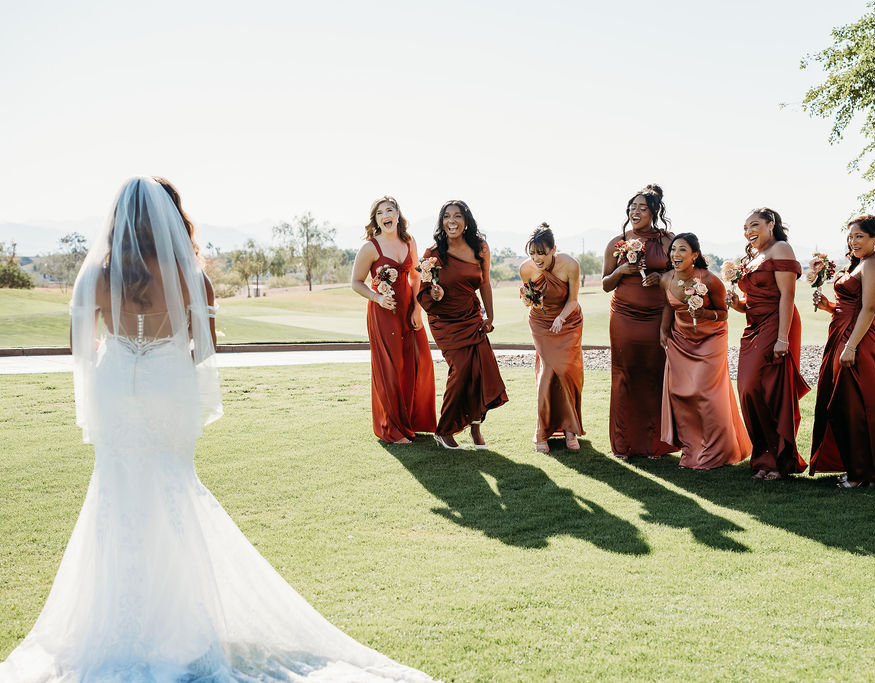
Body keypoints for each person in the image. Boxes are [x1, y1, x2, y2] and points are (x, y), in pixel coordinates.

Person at [0, 178, 434, 682]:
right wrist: (168, 353)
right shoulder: (191, 276)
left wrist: (121, 356)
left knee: (116, 492)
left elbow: (80, 347)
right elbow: (203, 352)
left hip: (116, 388)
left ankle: (118, 623)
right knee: (172, 489)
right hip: (169, 386)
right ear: (170, 218)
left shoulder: (95, 274)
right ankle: (180, 628)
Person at [809, 215, 875, 487]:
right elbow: (851, 304)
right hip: (843, 333)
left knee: (856, 405)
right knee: (843, 403)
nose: (853, 241)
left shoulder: (874, 265)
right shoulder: (861, 262)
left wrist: (851, 346)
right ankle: (857, 467)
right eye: (850, 236)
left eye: (859, 236)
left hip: (858, 339)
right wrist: (829, 307)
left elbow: (868, 309)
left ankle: (862, 474)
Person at [417, 200, 507, 449]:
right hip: (444, 320)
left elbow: (485, 283)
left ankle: (475, 427)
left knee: (478, 371)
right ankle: (444, 429)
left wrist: (490, 316)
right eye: (447, 216)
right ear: (441, 221)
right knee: (461, 368)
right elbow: (424, 290)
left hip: (471, 316)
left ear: (466, 220)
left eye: (457, 216)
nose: (452, 221)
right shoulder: (432, 253)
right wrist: (434, 294)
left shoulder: (480, 247)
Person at [729, 207, 810, 480]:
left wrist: (783, 338)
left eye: (754, 225)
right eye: (745, 228)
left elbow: (787, 295)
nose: (748, 231)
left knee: (772, 391)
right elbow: (752, 301)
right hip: (753, 328)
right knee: (748, 390)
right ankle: (763, 457)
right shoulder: (753, 256)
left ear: (770, 224)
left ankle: (778, 461)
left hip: (778, 324)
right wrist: (737, 304)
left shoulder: (781, 249)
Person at [659, 233, 752, 468]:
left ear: (695, 255)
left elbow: (723, 313)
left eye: (682, 250)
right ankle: (691, 451)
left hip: (711, 339)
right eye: (673, 250)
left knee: (705, 394)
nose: (675, 255)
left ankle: (716, 452)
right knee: (681, 394)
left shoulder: (710, 281)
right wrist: (663, 330)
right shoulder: (666, 278)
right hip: (680, 339)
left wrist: (704, 314)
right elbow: (668, 306)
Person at [351, 196, 436, 443]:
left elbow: (415, 278)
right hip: (384, 312)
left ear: (398, 214)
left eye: (390, 210)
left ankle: (413, 421)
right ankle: (392, 428)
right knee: (390, 366)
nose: (385, 215)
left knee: (418, 362)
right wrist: (377, 298)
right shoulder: (370, 248)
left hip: (409, 308)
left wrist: (416, 310)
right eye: (380, 213)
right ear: (376, 220)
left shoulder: (409, 242)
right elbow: (355, 282)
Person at [601, 184, 675, 460]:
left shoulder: (668, 241)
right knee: (624, 376)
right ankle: (624, 444)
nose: (635, 212)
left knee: (655, 376)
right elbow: (606, 284)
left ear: (654, 211)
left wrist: (662, 278)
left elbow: (680, 276)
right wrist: (621, 270)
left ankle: (655, 444)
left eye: (642, 208)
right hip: (624, 317)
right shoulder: (616, 242)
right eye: (632, 208)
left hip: (657, 316)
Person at [519, 223, 584, 454]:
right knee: (547, 372)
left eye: (542, 253)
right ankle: (541, 432)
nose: (537, 258)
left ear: (553, 249)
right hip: (541, 322)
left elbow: (573, 300)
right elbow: (529, 297)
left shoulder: (570, 265)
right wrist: (528, 300)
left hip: (568, 321)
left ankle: (570, 429)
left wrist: (561, 318)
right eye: (532, 253)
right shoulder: (526, 269)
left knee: (567, 371)